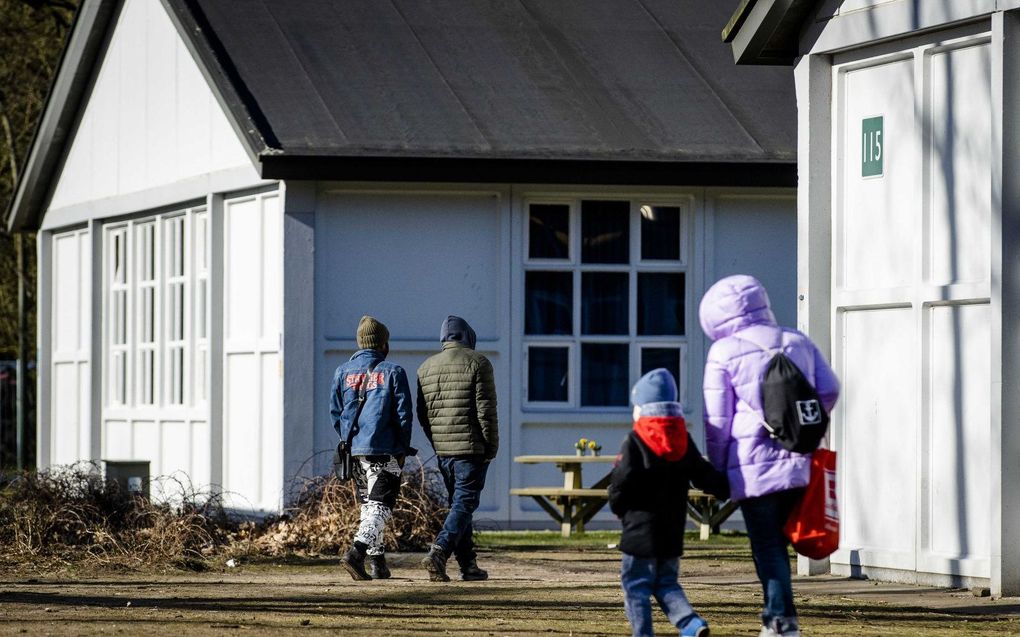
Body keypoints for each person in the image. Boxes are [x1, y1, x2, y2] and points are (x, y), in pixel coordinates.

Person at [699, 275, 840, 637]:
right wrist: (799, 429)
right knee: (784, 541)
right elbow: (829, 389)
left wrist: (719, 468)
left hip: (752, 468)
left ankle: (780, 622)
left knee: (767, 546)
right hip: (798, 462)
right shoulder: (797, 340)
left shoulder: (723, 352)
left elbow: (717, 420)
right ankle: (778, 617)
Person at [609, 368, 729, 637]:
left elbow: (621, 481)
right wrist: (728, 486)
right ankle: (691, 624)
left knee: (636, 585)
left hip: (639, 531)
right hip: (672, 530)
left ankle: (643, 633)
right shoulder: (683, 439)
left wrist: (617, 506)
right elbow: (703, 473)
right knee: (666, 582)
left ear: (641, 408)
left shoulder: (636, 441)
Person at [331, 315, 414, 581]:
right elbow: (403, 416)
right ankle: (356, 553)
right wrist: (401, 449)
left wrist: (349, 438)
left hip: (354, 451)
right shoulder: (394, 372)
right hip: (385, 449)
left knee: (369, 505)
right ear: (383, 344)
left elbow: (336, 413)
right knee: (381, 504)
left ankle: (378, 564)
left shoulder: (342, 372)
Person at [417, 315, 498, 582]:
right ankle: (439, 551)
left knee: (459, 506)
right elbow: (486, 411)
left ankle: (468, 565)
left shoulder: (425, 368)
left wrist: (437, 440)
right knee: (464, 503)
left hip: (443, 450)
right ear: (468, 336)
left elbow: (422, 414)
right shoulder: (479, 363)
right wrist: (491, 446)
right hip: (471, 447)